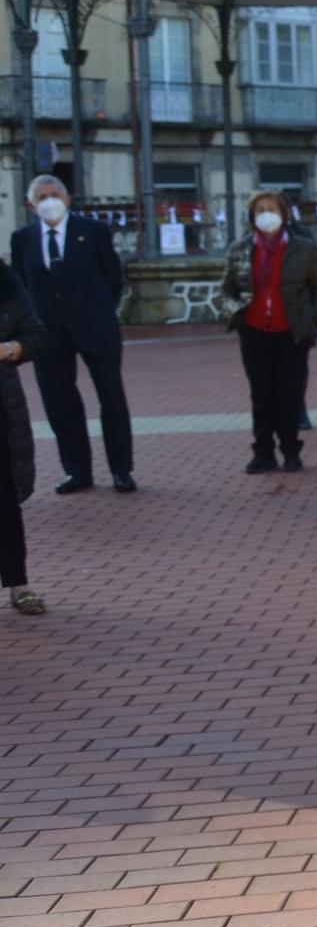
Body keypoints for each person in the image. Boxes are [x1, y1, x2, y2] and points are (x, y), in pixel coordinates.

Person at [11, 174, 135, 494]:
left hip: (96, 328)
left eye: (54, 194)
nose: (49, 201)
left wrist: (101, 311)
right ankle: (78, 471)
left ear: (67, 199)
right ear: (30, 204)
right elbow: (21, 287)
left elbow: (113, 277)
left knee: (111, 398)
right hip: (49, 334)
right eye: (41, 197)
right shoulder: (22, 238)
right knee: (60, 403)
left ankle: (121, 470)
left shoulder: (92, 231)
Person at [218, 191, 317, 474]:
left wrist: (314, 319)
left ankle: (291, 450)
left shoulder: (305, 249)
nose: (266, 215)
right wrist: (234, 312)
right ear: (252, 216)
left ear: (283, 214)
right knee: (261, 393)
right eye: (260, 210)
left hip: (291, 332)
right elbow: (226, 290)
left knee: (290, 393)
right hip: (254, 331)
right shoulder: (239, 249)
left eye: (271, 209)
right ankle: (263, 451)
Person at [0, 263, 48, 615]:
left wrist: (10, 349)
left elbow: (37, 334)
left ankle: (19, 584)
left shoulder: (6, 283)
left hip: (2, 410)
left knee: (4, 501)